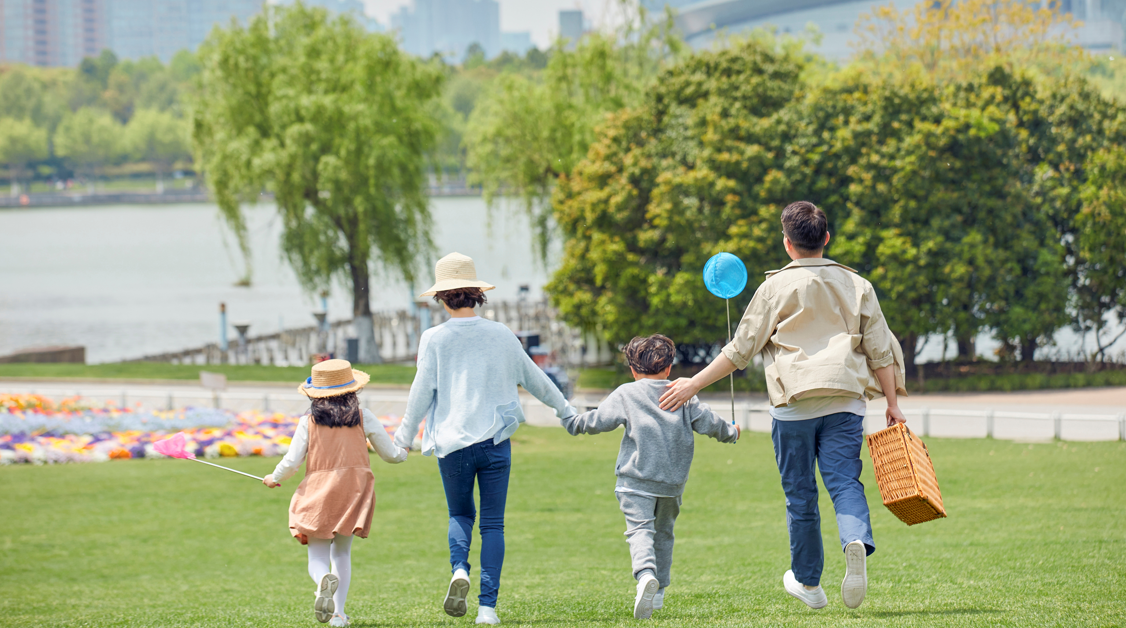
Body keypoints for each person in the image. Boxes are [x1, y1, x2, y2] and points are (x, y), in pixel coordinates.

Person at [659, 201, 907, 611]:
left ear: (788, 244)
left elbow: (740, 351)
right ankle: (855, 539)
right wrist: (893, 405)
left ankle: (809, 583)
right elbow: (880, 352)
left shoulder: (773, 287)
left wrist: (693, 384)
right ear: (826, 239)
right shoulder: (858, 285)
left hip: (793, 408)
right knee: (845, 483)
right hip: (845, 401)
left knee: (800, 495)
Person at [393, 252, 577, 626]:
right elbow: (535, 379)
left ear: (441, 298)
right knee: (493, 524)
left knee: (460, 514)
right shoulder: (501, 334)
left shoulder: (434, 339)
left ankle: (459, 569)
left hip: (453, 445)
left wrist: (403, 439)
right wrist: (566, 411)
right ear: (477, 293)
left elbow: (420, 393)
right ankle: (487, 609)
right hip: (495, 441)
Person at [560, 334, 739, 620]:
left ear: (633, 369)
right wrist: (733, 432)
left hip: (635, 483)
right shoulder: (684, 392)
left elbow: (595, 421)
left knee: (639, 531)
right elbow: (711, 424)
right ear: (668, 368)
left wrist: (571, 422)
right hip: (671, 485)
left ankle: (645, 575)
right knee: (664, 535)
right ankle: (658, 594)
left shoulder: (626, 393)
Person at [263, 359, 408, 627]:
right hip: (354, 489)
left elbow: (292, 461)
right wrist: (403, 453)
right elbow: (390, 454)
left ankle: (322, 582)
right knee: (341, 554)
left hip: (319, 491)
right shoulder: (364, 417)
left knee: (317, 557)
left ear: (316, 395)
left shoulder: (308, 422)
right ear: (353, 389)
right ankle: (338, 615)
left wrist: (274, 478)